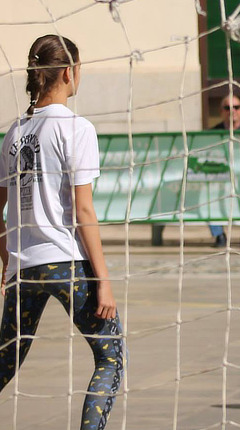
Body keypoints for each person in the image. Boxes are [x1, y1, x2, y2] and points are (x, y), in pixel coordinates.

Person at [0, 35, 124, 430]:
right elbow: (84, 210)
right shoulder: (76, 128)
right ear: (70, 72)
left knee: (5, 361)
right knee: (110, 357)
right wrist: (103, 280)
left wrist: (6, 260)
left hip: (24, 268)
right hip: (67, 263)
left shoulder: (14, 133)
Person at [210, 94, 240, 247]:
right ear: (221, 111)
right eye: (227, 107)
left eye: (235, 107)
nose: (232, 111)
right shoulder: (212, 133)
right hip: (221, 177)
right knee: (209, 200)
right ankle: (219, 235)